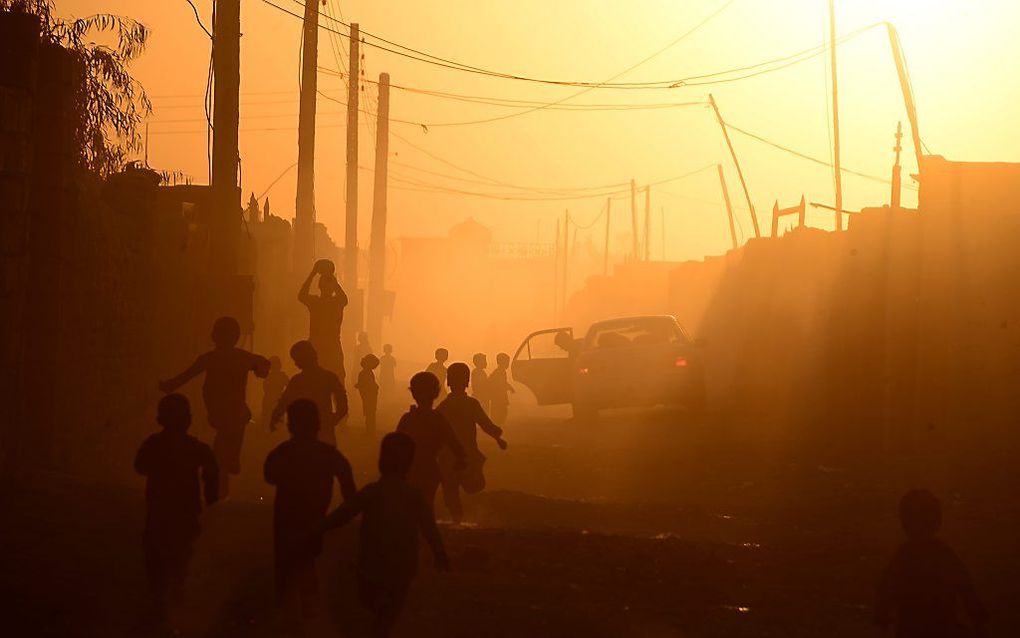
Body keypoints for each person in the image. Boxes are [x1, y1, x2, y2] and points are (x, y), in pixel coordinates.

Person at [321, 432, 450, 638]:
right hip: (404, 564)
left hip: (372, 562)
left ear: (381, 461)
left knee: (367, 598)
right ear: (409, 464)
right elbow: (429, 527)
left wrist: (320, 527)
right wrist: (439, 552)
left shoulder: (373, 492)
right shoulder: (413, 495)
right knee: (393, 604)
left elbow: (344, 514)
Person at [264, 399, 356, 626]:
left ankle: (286, 606)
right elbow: (348, 486)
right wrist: (344, 515)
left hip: (286, 515)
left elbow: (270, 476)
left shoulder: (282, 452)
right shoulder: (329, 454)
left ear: (291, 425)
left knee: (285, 559)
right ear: (317, 424)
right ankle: (306, 603)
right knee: (307, 556)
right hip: (315, 515)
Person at [159, 316, 269, 498]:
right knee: (228, 448)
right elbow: (264, 365)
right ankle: (220, 469)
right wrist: (261, 370)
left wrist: (168, 386)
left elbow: (185, 376)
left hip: (221, 413)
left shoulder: (213, 358)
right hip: (231, 414)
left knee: (225, 447)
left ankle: (218, 470)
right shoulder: (241, 358)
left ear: (215, 336)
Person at [134, 394, 219, 622]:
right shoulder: (197, 448)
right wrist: (211, 497)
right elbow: (212, 471)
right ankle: (175, 586)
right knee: (181, 549)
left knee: (155, 551)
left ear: (160, 418)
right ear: (188, 419)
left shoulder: (153, 444)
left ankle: (160, 595)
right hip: (186, 510)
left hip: (159, 509)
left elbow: (140, 466)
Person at [876, 489, 988, 638]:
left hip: (912, 628)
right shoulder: (943, 554)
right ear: (937, 520)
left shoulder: (905, 555)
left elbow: (887, 586)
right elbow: (965, 585)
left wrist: (882, 613)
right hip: (940, 627)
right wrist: (977, 615)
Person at [437, 363, 508, 524]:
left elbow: (434, 428)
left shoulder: (444, 406)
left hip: (448, 456)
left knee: (451, 488)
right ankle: (468, 515)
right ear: (467, 381)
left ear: (448, 382)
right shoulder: (471, 404)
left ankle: (457, 517)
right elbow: (485, 424)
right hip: (468, 453)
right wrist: (498, 438)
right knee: (473, 486)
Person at [395, 372, 466, 510]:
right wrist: (460, 459)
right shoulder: (438, 419)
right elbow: (453, 441)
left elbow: (394, 445)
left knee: (409, 505)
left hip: (409, 470)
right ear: (436, 393)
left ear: (413, 393)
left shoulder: (408, 419)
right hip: (430, 469)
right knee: (427, 504)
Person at [270, 341, 349, 447]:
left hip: (302, 430)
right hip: (324, 430)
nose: (296, 363)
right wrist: (333, 419)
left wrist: (275, 416)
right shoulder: (329, 377)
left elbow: (285, 402)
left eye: (297, 360)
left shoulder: (297, 380)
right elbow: (342, 403)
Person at [298, 260, 349, 380]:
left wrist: (314, 273)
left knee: (316, 380)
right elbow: (344, 298)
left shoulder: (319, 303)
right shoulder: (332, 303)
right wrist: (329, 277)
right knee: (334, 381)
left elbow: (302, 295)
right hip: (328, 347)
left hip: (321, 347)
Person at [260, 356, 289, 430]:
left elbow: (265, 388)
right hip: (275, 399)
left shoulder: (268, 376)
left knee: (270, 421)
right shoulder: (281, 376)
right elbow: (289, 387)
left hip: (272, 399)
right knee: (272, 421)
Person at [487, 352, 515, 426]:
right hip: (499, 397)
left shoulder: (499, 372)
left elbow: (503, 382)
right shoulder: (500, 372)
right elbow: (502, 383)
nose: (508, 364)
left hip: (498, 396)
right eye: (507, 362)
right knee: (501, 412)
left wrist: (509, 387)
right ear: (502, 362)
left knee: (500, 412)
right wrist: (510, 388)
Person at [355, 354, 381, 432]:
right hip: (369, 395)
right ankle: (370, 428)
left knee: (370, 411)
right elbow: (367, 384)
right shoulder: (365, 373)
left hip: (369, 395)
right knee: (370, 411)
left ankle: (370, 428)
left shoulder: (365, 372)